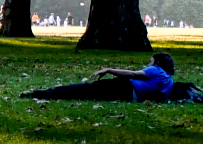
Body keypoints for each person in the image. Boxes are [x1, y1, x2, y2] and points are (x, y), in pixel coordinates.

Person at [23, 51, 198, 102]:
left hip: (126, 89)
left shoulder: (156, 71)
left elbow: (132, 74)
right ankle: (43, 94)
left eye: (150, 61)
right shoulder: (169, 80)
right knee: (88, 94)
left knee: (83, 89)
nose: (148, 63)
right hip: (131, 96)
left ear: (158, 62)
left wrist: (108, 70)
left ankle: (40, 94)